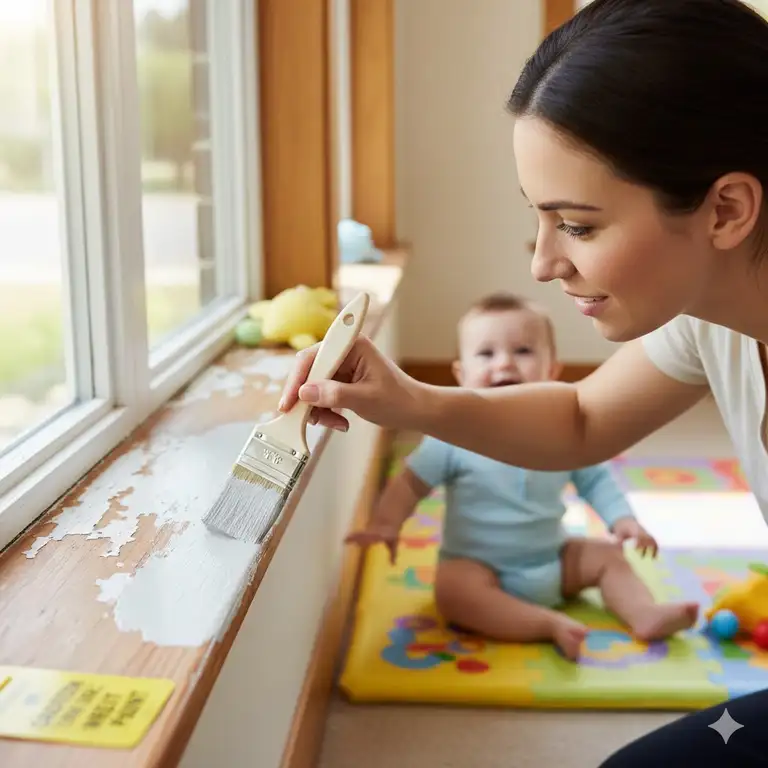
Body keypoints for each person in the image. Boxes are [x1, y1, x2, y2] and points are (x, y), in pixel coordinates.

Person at [278, 0, 768, 762]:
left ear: (727, 208)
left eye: (576, 225)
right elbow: (580, 419)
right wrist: (410, 398)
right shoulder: (709, 318)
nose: (542, 264)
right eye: (538, 220)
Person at [346, 292, 697, 661]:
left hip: (554, 560)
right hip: (480, 568)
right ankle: (545, 624)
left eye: (523, 351)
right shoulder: (450, 438)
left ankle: (643, 613)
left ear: (552, 371)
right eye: (486, 353)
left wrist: (623, 520)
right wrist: (386, 523)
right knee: (452, 591)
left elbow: (596, 480)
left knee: (608, 557)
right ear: (461, 375)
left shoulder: (561, 431)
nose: (504, 365)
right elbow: (410, 483)